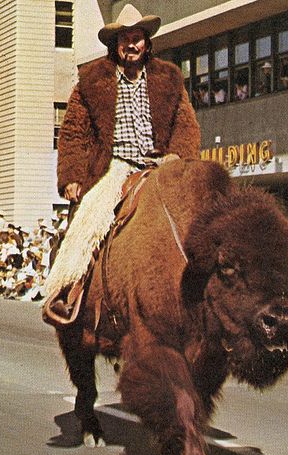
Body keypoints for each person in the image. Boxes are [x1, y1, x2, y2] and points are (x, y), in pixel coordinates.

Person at [43, 4, 200, 307]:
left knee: (198, 222)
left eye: (137, 37)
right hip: (113, 168)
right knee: (88, 222)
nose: (131, 44)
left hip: (160, 168)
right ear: (115, 43)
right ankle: (67, 291)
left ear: (146, 41)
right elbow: (74, 130)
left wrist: (177, 156)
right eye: (125, 38)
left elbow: (186, 125)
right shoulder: (92, 80)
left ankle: (204, 302)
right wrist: (73, 177)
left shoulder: (168, 78)